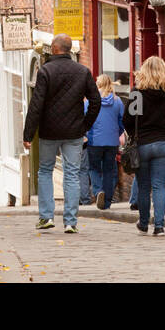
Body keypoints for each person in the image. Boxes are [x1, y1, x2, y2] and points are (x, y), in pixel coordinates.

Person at [22, 34, 102, 234]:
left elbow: (36, 104)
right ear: (68, 50)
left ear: (55, 49)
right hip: (74, 131)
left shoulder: (46, 71)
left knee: (45, 171)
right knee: (72, 174)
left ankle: (47, 217)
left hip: (49, 132)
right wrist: (85, 125)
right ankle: (70, 221)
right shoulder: (83, 71)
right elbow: (96, 101)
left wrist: (28, 133)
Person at [123, 56, 165, 236]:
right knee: (159, 186)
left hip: (143, 144)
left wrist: (134, 135)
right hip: (163, 144)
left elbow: (127, 120)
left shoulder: (137, 93)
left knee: (144, 186)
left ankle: (143, 223)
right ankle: (159, 226)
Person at [84, 73, 125, 210]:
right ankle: (106, 201)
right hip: (112, 142)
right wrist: (116, 134)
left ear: (98, 84)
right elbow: (122, 122)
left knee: (94, 168)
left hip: (94, 141)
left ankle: (97, 191)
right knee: (109, 171)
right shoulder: (117, 101)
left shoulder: (90, 101)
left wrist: (86, 134)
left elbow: (85, 119)